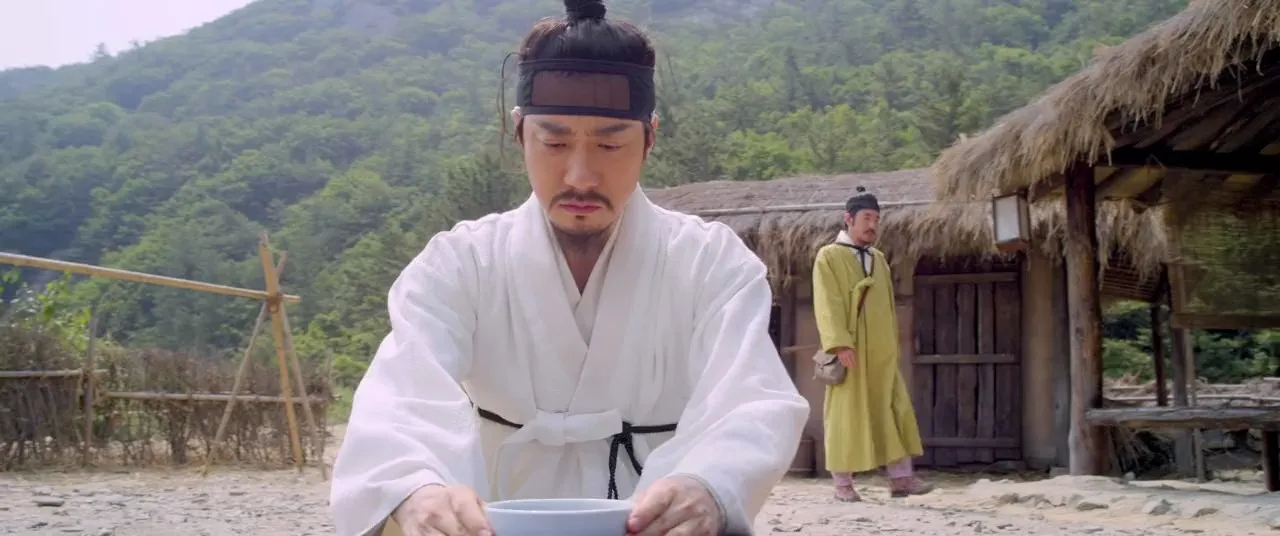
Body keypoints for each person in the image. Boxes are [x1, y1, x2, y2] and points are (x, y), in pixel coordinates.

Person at [327, 1, 810, 534]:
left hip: (657, 522)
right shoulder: (461, 263)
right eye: (554, 142)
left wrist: (709, 484)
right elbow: (403, 393)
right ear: (520, 133)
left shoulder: (711, 263)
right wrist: (418, 487)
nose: (580, 175)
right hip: (495, 521)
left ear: (649, 137)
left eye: (610, 143)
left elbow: (750, 399)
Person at [811, 186, 932, 502]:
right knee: (845, 413)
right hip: (850, 350)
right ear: (848, 219)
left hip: (881, 352)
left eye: (876, 219)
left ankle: (901, 479)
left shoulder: (879, 259)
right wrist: (839, 344)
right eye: (866, 218)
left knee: (893, 409)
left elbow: (887, 306)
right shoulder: (829, 256)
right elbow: (827, 303)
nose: (873, 225)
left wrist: (891, 345)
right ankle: (843, 484)